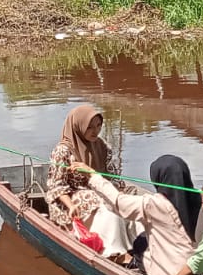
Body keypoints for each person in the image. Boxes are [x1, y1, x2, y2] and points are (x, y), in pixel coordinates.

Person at [75, 154, 199, 275]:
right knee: (142, 239)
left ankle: (130, 262)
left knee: (139, 246)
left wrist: (93, 176)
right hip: (199, 274)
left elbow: (118, 202)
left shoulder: (154, 204)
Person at [47, 105, 137, 263]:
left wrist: (120, 194)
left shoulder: (103, 147)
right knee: (107, 209)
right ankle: (114, 252)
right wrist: (70, 206)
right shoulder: (62, 151)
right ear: (78, 127)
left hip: (99, 191)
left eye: (98, 126)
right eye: (90, 127)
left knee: (123, 203)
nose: (95, 131)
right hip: (69, 200)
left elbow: (112, 177)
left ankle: (128, 246)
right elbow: (56, 186)